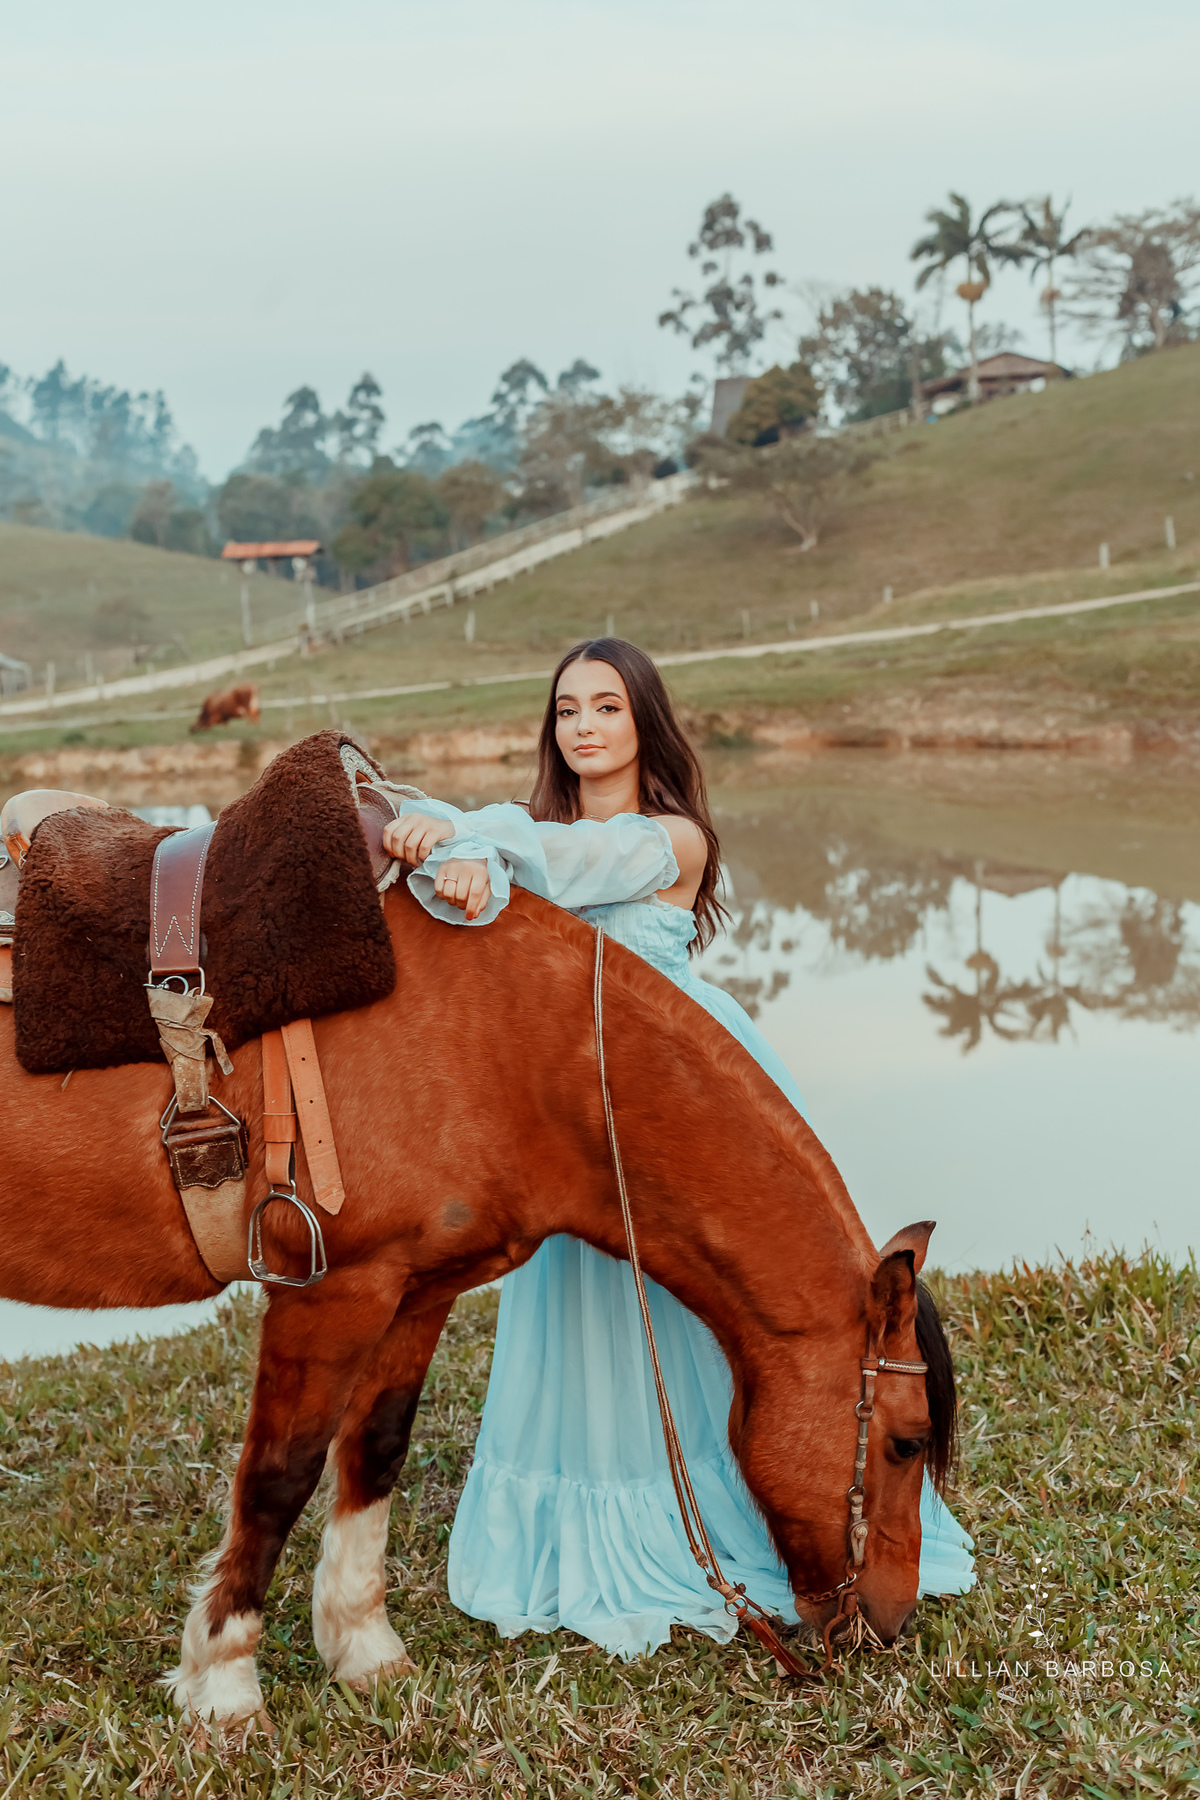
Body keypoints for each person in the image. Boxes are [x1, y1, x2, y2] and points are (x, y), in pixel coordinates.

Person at [382, 637, 975, 1658]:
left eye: (607, 707)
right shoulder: (526, 831)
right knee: (582, 1312)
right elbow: (497, 856)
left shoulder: (672, 839)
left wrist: (468, 837)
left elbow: (573, 864)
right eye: (567, 709)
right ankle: (602, 1512)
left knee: (710, 1306)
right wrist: (453, 835)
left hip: (680, 1088)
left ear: (645, 722)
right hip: (574, 1100)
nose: (584, 727)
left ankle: (734, 1498)